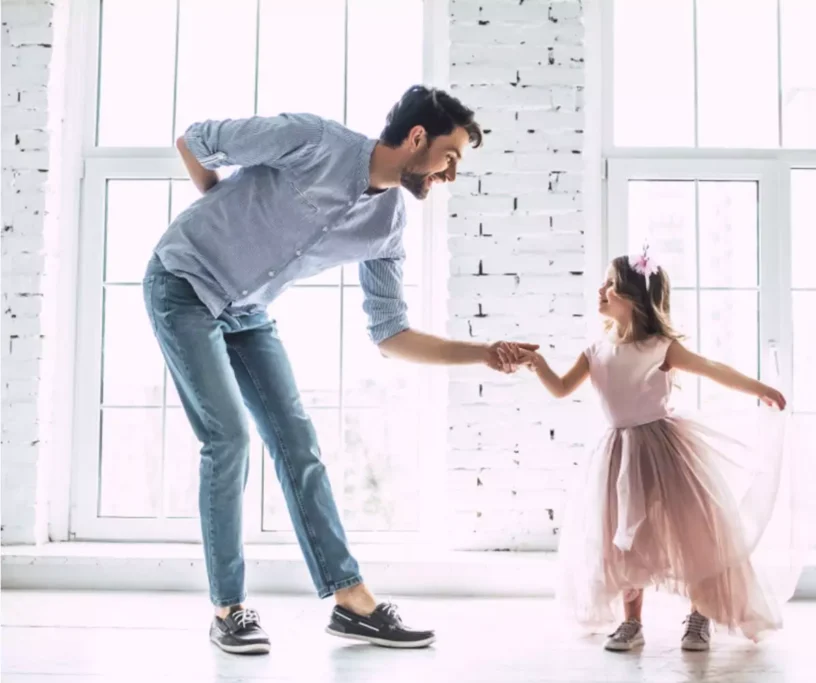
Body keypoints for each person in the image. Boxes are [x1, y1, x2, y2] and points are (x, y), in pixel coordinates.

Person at [143, 86, 532, 655]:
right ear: (418, 138)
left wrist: (483, 352)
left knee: (298, 443)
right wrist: (215, 209)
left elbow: (391, 335)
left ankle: (352, 604)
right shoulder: (313, 140)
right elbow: (195, 141)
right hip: (182, 284)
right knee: (228, 438)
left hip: (246, 311)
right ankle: (229, 609)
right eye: (450, 157)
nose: (451, 173)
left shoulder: (387, 226)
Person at [514, 248, 790, 652]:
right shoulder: (595, 352)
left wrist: (761, 388)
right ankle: (632, 622)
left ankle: (700, 615)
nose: (601, 289)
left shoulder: (661, 347)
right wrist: (534, 362)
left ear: (634, 296)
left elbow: (714, 369)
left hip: (665, 451)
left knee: (693, 532)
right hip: (618, 455)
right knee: (625, 536)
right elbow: (559, 388)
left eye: (610, 283)